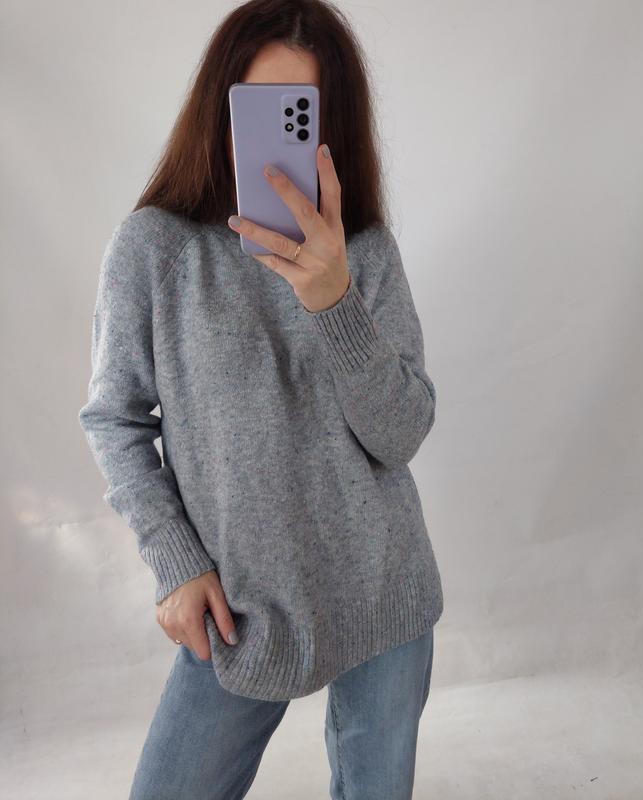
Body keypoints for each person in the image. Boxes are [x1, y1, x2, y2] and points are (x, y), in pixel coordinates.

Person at [78, 0, 444, 797]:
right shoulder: (155, 248)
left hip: (380, 590)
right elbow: (114, 419)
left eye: (300, 114)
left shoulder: (363, 253)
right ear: (218, 107)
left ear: (333, 126)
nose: (277, 141)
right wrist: (176, 563)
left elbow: (402, 434)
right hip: (240, 603)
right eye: (257, 110)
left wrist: (334, 302)